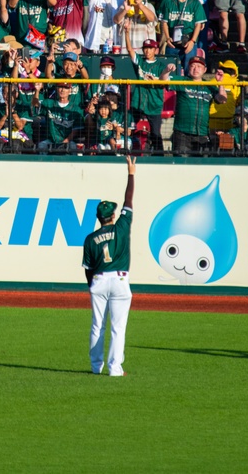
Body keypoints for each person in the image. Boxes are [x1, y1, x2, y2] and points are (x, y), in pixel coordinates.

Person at [83, 155, 136, 377]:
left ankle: (96, 367)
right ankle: (115, 369)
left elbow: (88, 268)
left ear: (98, 218)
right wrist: (131, 174)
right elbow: (129, 200)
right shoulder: (122, 226)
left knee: (98, 326)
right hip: (120, 280)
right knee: (118, 327)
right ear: (113, 216)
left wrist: (91, 285)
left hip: (99, 280)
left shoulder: (90, 238)